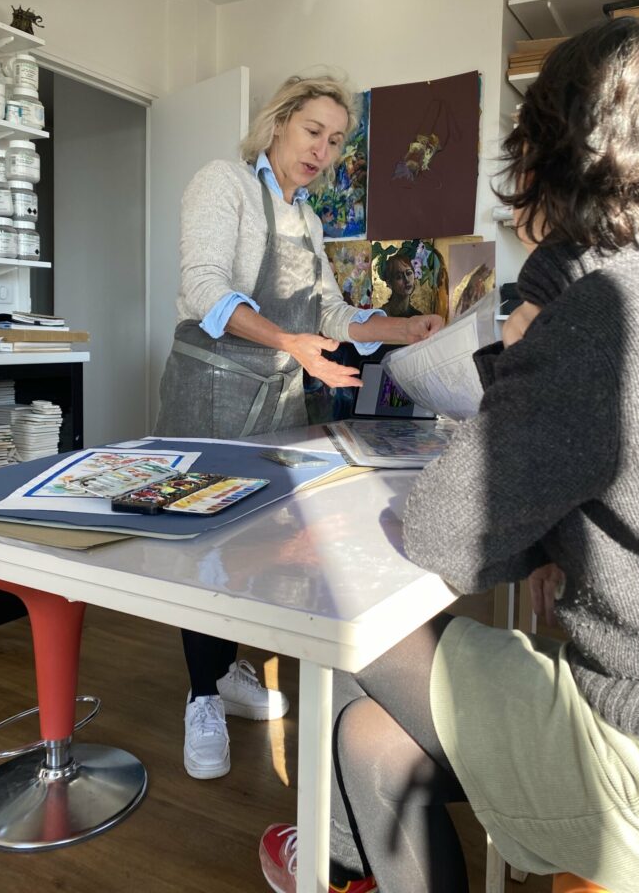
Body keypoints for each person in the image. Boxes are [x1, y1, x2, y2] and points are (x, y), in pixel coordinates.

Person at [259, 20, 639, 893]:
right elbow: (535, 525)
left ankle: (327, 856)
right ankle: (342, 856)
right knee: (369, 740)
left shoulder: (606, 316)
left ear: (548, 158)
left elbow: (452, 536)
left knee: (344, 614)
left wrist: (519, 342)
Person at [154, 74, 443, 781]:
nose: (324, 149)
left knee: (259, 541)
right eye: (313, 130)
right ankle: (200, 694)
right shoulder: (222, 182)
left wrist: (407, 326)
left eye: (338, 139)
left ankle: (224, 667)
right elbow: (204, 287)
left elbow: (332, 318)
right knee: (204, 542)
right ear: (278, 122)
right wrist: (291, 344)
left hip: (276, 398)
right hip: (212, 393)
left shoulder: (309, 220)